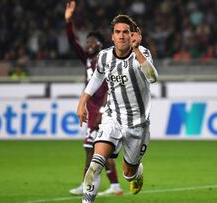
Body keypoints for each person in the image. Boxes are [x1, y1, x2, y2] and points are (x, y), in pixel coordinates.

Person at [77, 14, 159, 203]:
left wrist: (137, 49)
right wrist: (83, 101)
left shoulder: (142, 54)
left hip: (138, 125)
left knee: (128, 173)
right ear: (112, 36)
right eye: (118, 32)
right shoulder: (104, 56)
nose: (122, 36)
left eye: (126, 32)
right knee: (95, 165)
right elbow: (97, 77)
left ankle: (136, 173)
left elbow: (153, 77)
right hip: (112, 117)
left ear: (133, 35)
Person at [65, 1, 123, 196]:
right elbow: (73, 43)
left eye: (92, 42)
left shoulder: (105, 59)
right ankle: (114, 186)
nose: (88, 44)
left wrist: (101, 111)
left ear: (99, 44)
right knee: (100, 149)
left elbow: (110, 86)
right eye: (87, 42)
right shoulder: (88, 59)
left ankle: (87, 186)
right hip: (91, 109)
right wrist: (68, 21)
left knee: (90, 150)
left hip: (100, 109)